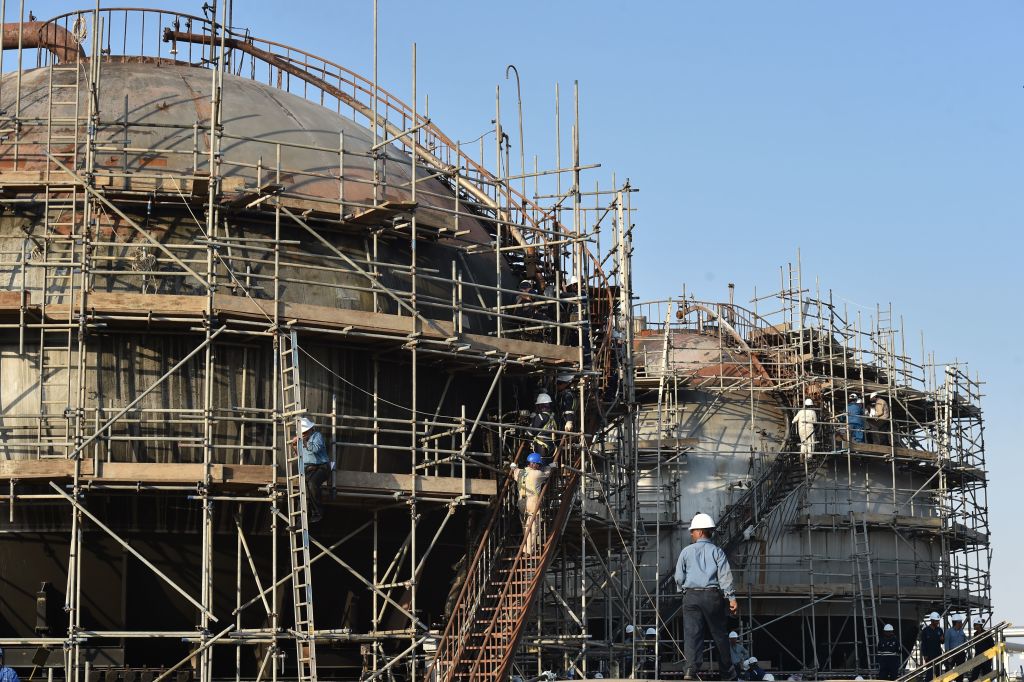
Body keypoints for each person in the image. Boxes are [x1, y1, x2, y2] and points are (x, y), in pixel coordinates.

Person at [674, 512, 739, 681]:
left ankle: (690, 670)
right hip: (712, 597)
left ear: (700, 532)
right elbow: (725, 576)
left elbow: (679, 577)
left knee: (692, 635)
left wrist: (684, 591)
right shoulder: (717, 552)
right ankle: (727, 674)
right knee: (719, 635)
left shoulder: (686, 552)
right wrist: (731, 598)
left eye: (693, 531)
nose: (691, 533)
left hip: (691, 597)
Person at [510, 452, 557, 555]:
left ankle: (525, 546)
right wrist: (551, 466)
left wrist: (512, 466)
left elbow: (514, 469)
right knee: (533, 526)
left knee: (526, 526)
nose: (539, 466)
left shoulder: (520, 472)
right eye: (538, 464)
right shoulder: (537, 474)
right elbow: (547, 473)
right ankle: (527, 551)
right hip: (532, 502)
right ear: (534, 464)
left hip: (521, 502)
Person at [295, 417, 330, 523]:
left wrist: (305, 441)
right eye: (303, 432)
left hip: (322, 467)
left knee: (312, 484)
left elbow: (315, 449)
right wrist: (294, 445)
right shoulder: (302, 440)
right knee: (302, 492)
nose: (304, 434)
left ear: (310, 429)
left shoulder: (317, 436)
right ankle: (299, 521)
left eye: (305, 432)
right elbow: (299, 455)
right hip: (308, 469)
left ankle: (317, 512)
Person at [529, 393, 558, 459]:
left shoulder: (540, 417)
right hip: (552, 446)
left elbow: (531, 432)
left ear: (540, 406)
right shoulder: (554, 417)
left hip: (541, 445)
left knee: (540, 464)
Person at [919, 611, 944, 679]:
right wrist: (925, 655)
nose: (937, 622)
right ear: (932, 620)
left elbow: (942, 642)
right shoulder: (925, 631)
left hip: (938, 654)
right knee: (930, 674)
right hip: (929, 656)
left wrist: (942, 639)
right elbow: (923, 644)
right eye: (936, 621)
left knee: (939, 673)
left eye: (938, 621)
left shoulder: (940, 630)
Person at [945, 614, 968, 678]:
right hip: (952, 653)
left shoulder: (961, 631)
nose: (961, 623)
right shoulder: (949, 631)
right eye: (960, 622)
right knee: (948, 671)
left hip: (961, 653)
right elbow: (946, 643)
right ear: (956, 623)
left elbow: (965, 640)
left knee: (960, 671)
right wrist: (948, 654)